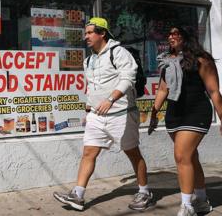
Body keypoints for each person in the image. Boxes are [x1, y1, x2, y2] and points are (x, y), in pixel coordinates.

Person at [53, 17, 153, 211]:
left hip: (121, 113)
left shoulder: (119, 52)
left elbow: (128, 78)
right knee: (88, 152)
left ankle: (144, 191)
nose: (86, 37)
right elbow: (92, 86)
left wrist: (111, 99)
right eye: (86, 33)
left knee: (132, 153)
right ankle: (78, 195)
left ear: (102, 33)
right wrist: (90, 106)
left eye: (90, 33)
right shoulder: (88, 60)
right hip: (97, 116)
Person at [149, 26, 222, 216]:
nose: (171, 37)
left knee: (181, 156)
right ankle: (202, 200)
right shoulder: (167, 61)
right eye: (169, 34)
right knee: (190, 158)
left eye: (176, 34)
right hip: (174, 114)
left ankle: (187, 206)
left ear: (186, 37)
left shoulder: (202, 60)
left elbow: (214, 91)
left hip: (196, 112)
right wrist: (153, 113)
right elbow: (163, 90)